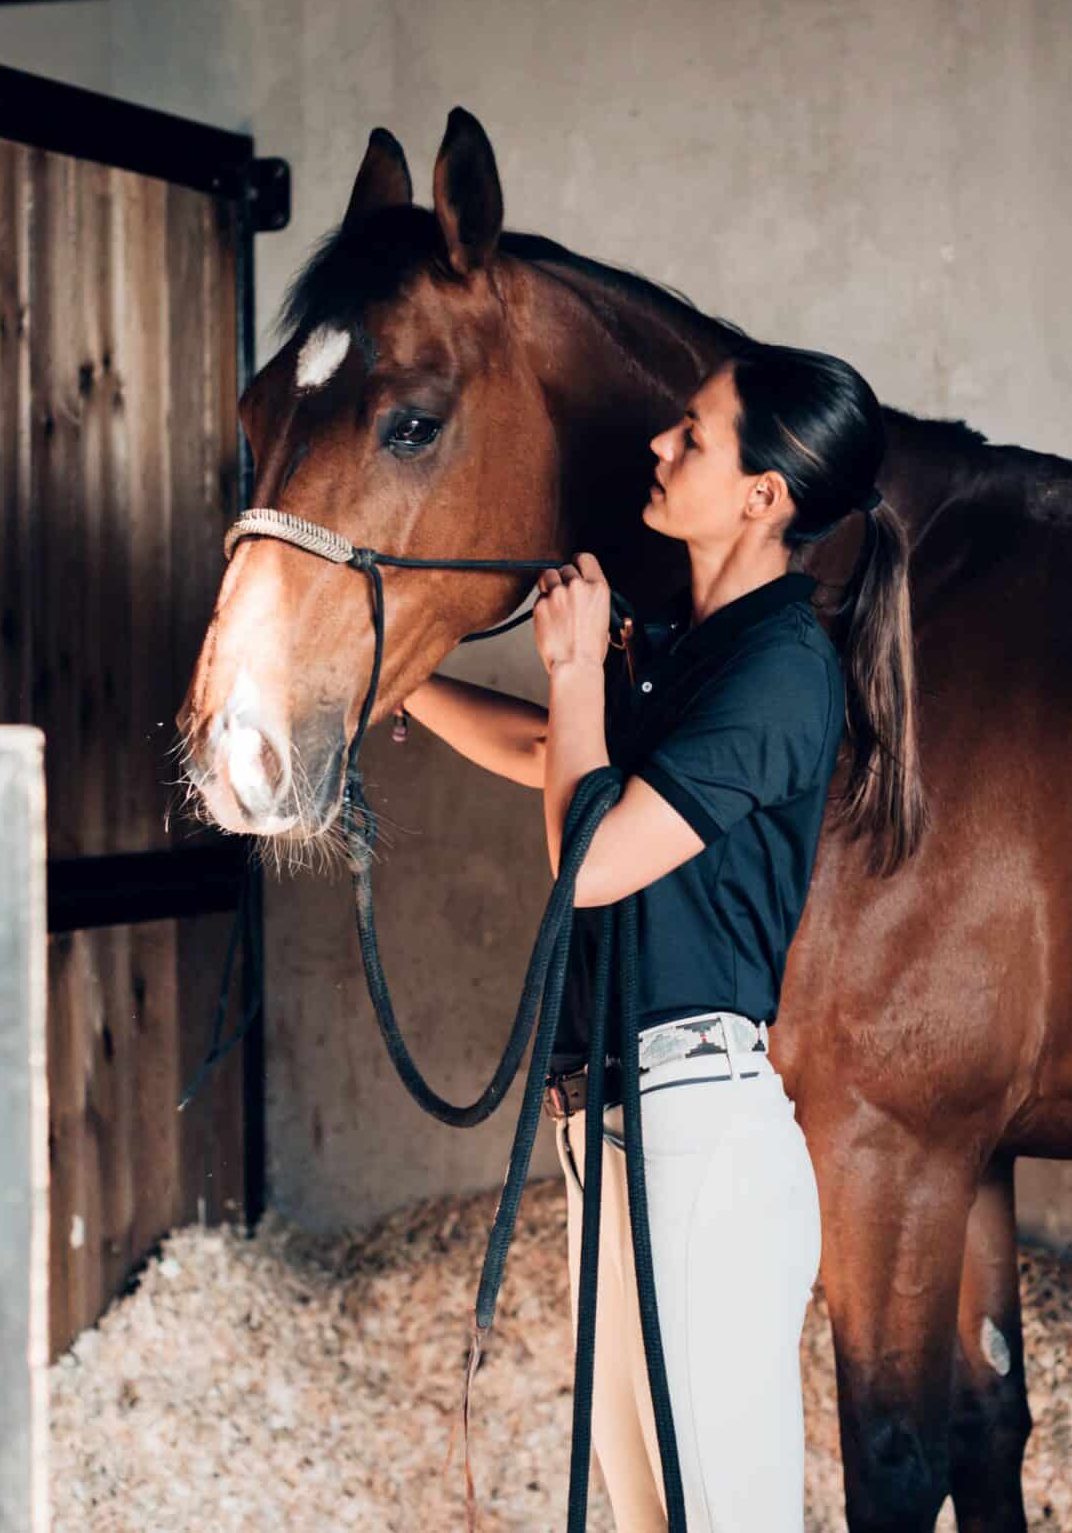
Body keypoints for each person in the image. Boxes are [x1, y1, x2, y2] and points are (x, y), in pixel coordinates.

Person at [402, 342, 925, 1530]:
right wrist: (395, 682)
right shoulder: (696, 648)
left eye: (694, 435)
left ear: (763, 495)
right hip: (618, 1127)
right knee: (650, 1513)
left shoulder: (784, 670)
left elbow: (589, 861)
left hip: (696, 1137)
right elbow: (553, 760)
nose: (658, 443)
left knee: (714, 1515)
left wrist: (579, 664)